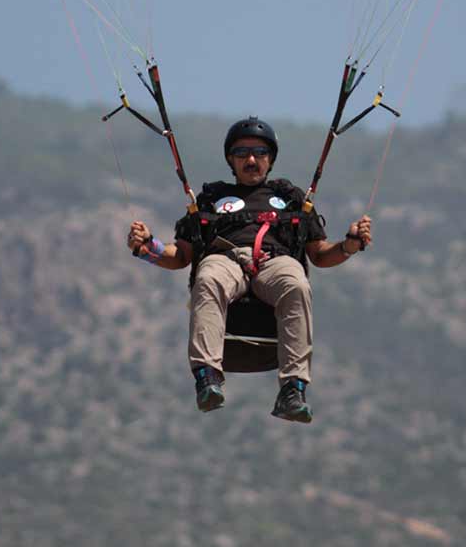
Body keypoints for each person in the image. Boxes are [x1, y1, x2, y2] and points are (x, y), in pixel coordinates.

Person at [127, 116, 372, 423]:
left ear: (270, 158)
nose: (251, 159)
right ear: (231, 160)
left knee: (296, 284)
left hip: (275, 261)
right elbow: (180, 257)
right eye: (242, 154)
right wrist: (148, 248)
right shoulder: (212, 198)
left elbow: (321, 255)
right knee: (208, 276)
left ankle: (293, 390)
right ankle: (207, 379)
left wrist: (350, 244)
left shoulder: (290, 198)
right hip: (225, 258)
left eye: (259, 152)